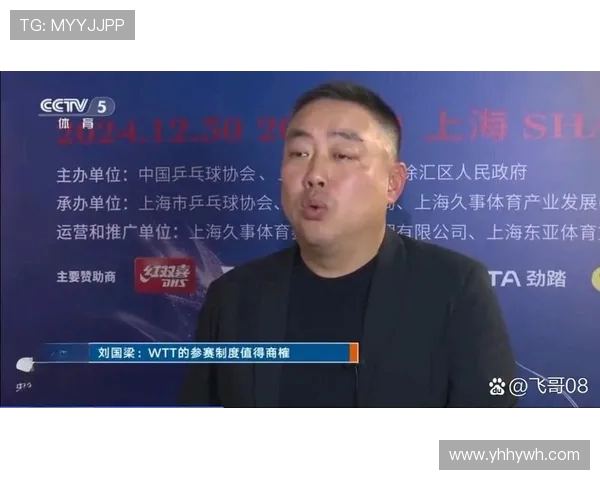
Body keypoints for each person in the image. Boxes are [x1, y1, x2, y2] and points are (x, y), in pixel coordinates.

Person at [179, 81, 517, 407]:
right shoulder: (233, 298)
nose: (314, 174)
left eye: (341, 155)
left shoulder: (454, 289)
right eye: (299, 153)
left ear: (393, 183)